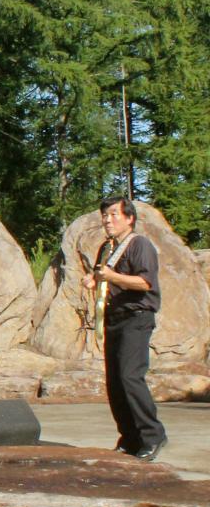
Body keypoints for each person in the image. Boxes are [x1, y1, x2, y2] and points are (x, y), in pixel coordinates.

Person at [81, 196, 166, 461]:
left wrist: (112, 277)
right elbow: (102, 276)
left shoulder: (139, 245)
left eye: (113, 214)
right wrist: (92, 279)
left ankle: (152, 436)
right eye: (104, 215)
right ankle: (129, 438)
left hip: (136, 318)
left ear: (129, 218)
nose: (107, 220)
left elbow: (145, 283)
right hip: (113, 319)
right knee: (115, 382)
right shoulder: (107, 248)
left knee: (130, 377)